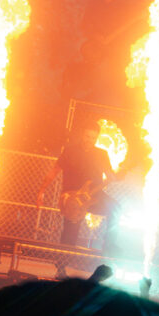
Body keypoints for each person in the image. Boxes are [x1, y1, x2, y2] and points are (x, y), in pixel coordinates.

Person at [35, 119, 121, 277]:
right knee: (70, 230)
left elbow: (109, 175)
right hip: (72, 196)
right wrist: (41, 191)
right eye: (87, 136)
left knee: (116, 208)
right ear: (82, 135)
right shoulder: (70, 151)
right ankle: (61, 267)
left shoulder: (101, 154)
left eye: (93, 138)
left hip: (93, 195)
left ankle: (108, 251)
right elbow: (54, 171)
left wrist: (115, 176)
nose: (90, 140)